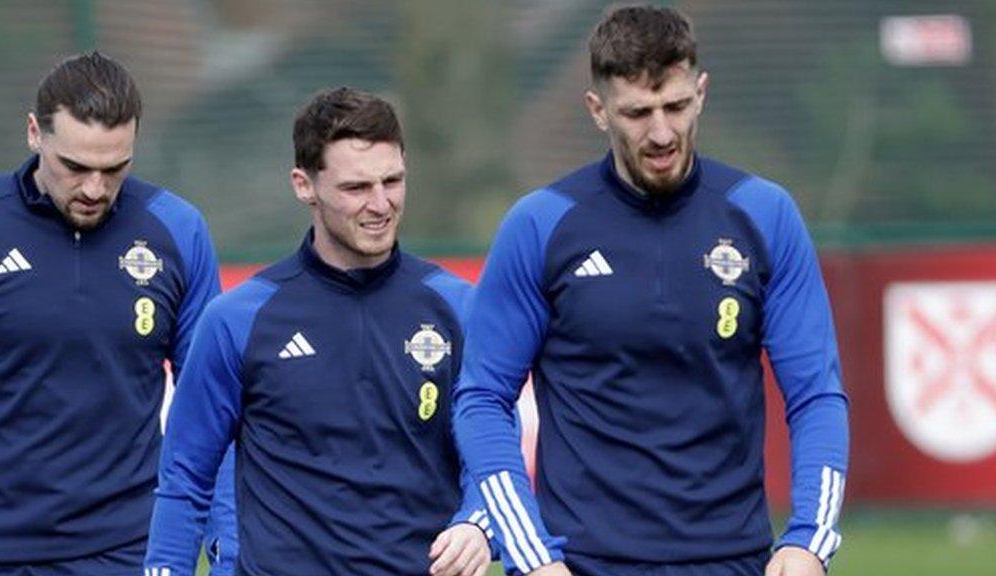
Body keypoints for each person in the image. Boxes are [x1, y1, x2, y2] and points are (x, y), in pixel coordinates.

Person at [453, 6, 850, 576]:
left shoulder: (764, 216)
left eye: (676, 106)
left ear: (701, 93)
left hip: (730, 561)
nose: (661, 132)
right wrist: (532, 555)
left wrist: (810, 538)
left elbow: (817, 394)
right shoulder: (540, 226)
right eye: (637, 113)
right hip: (582, 564)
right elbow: (482, 399)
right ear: (598, 110)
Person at [145, 87, 494, 576]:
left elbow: (493, 454)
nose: (381, 204)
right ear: (304, 185)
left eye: (392, 181)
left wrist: (479, 525)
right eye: (356, 188)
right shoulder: (237, 321)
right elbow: (184, 478)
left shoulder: (458, 309)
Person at [0, 51, 221, 574]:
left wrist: (224, 537)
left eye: (115, 168)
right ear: (35, 133)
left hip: (126, 548)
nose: (94, 189)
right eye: (75, 167)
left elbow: (213, 403)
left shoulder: (177, 229)